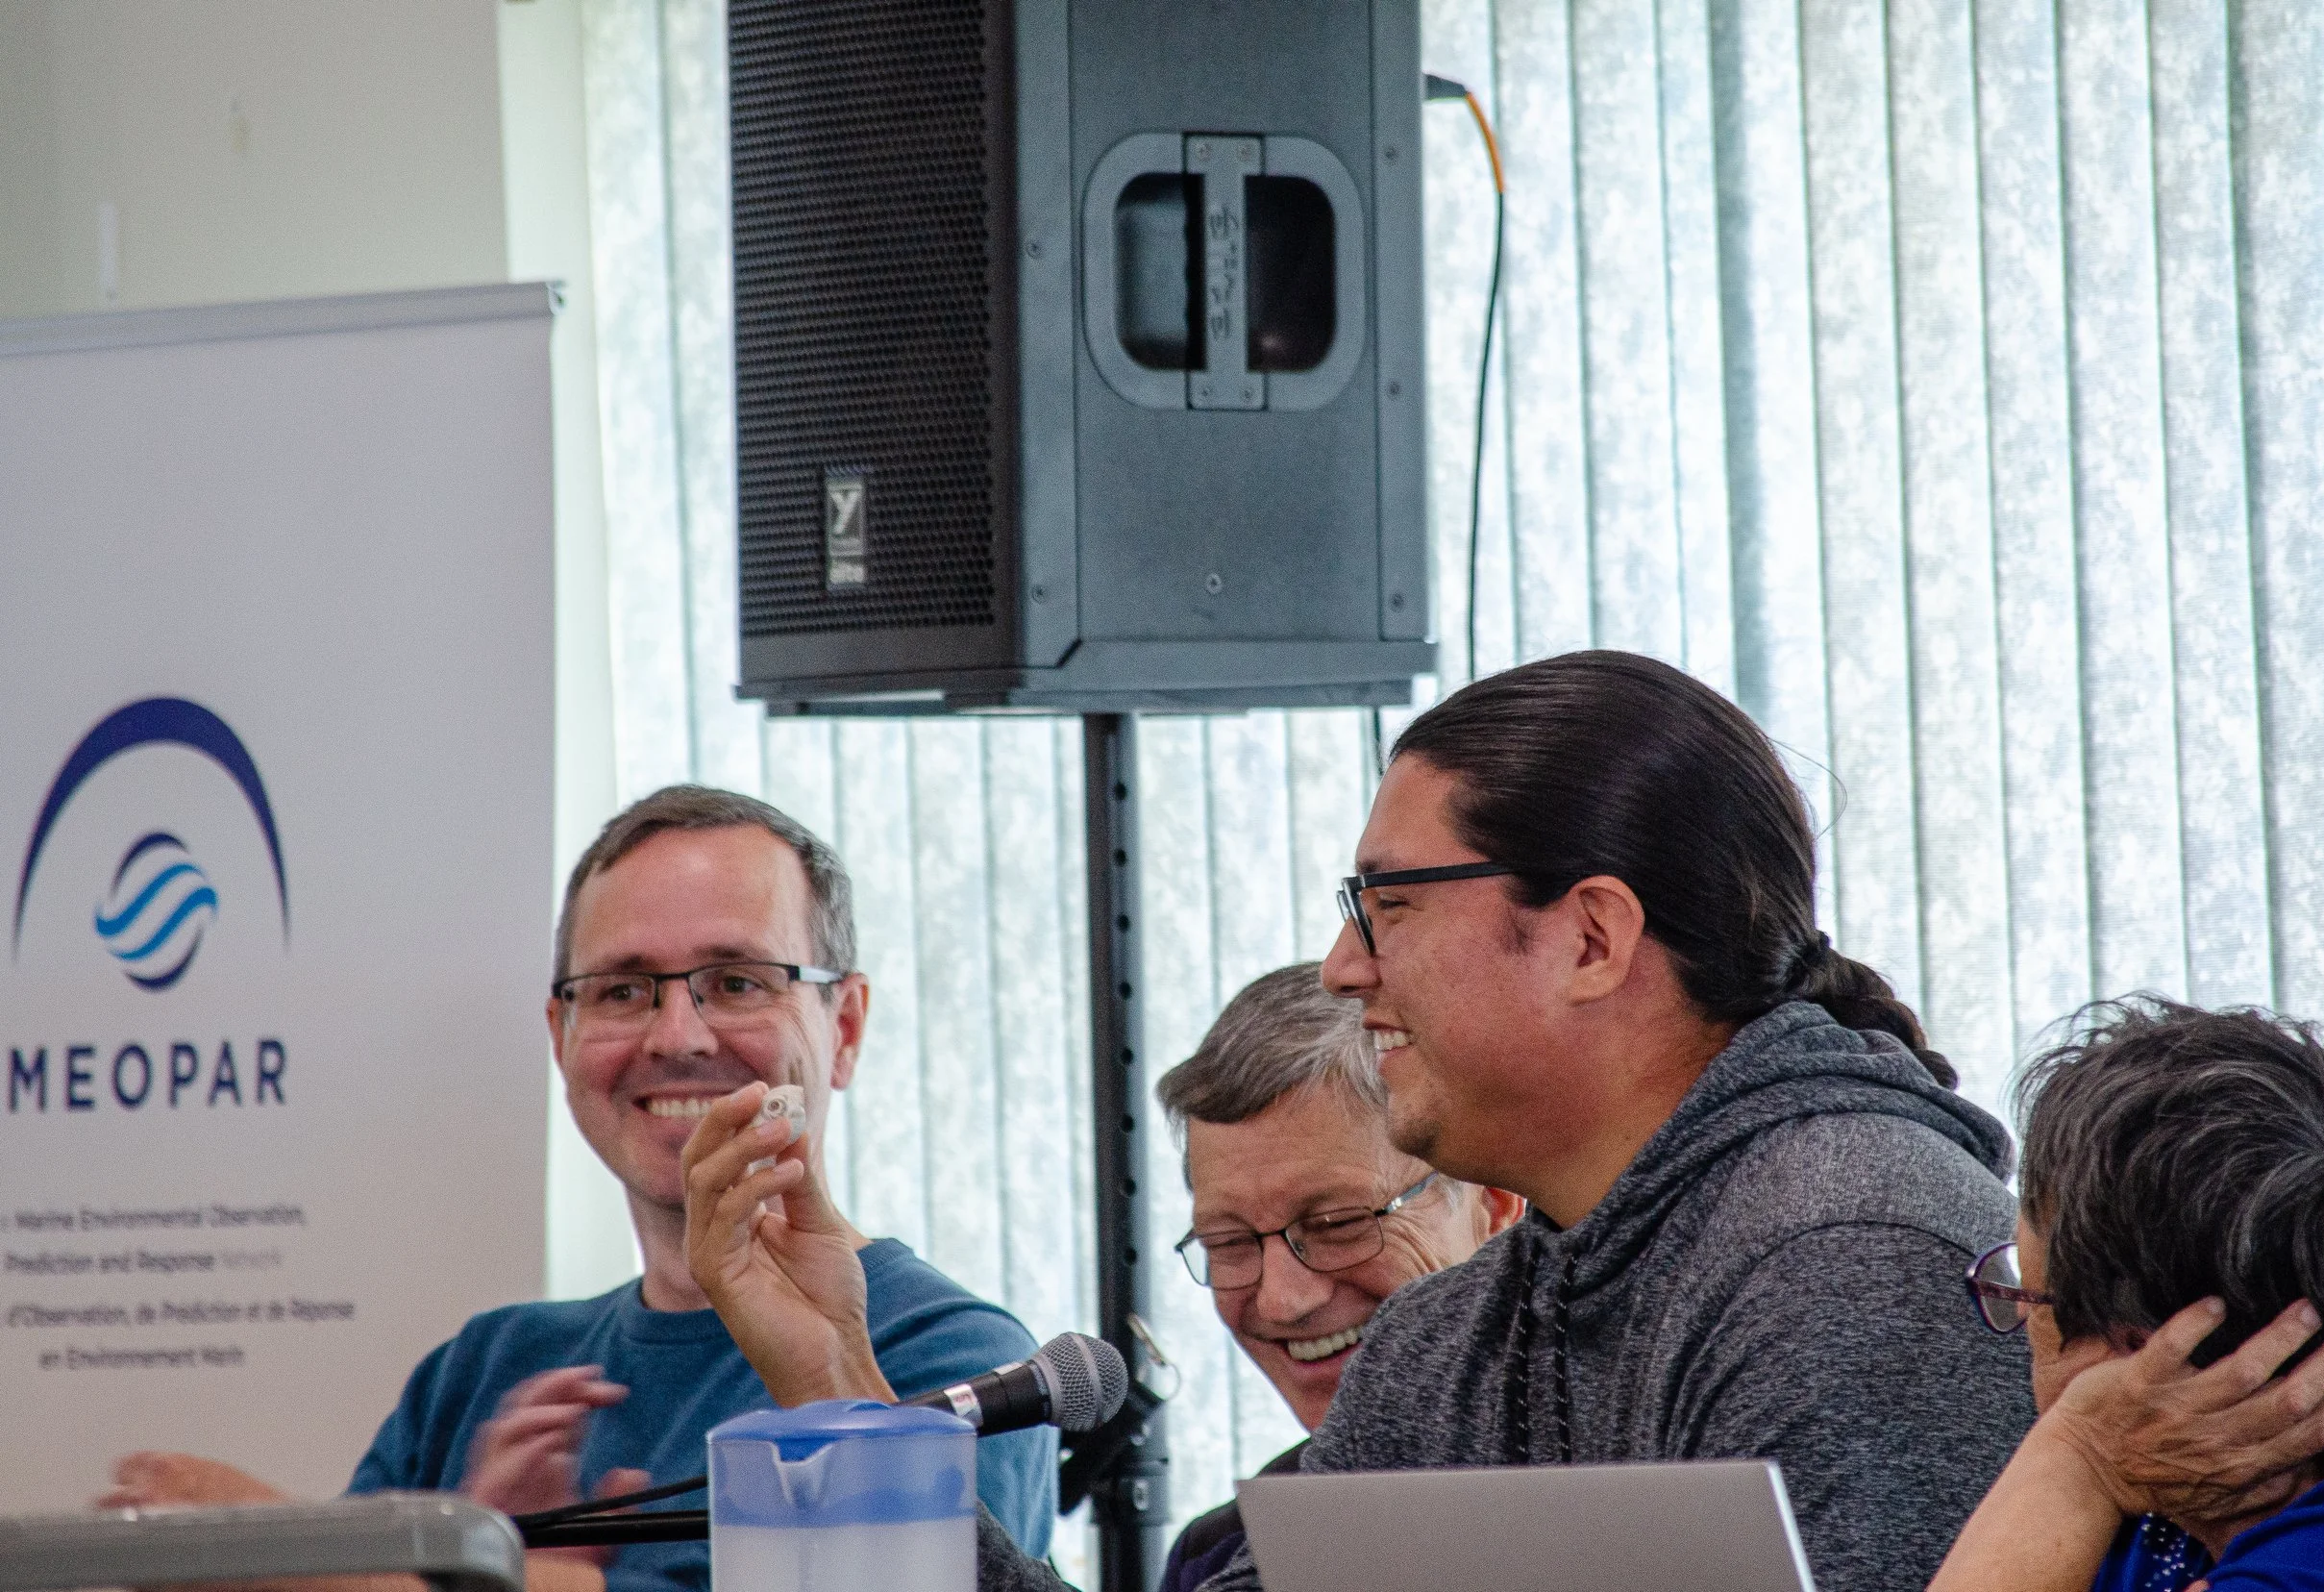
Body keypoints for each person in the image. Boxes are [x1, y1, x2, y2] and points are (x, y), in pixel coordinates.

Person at [682, 651, 2033, 1592]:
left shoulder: (1849, 1258)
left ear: (1591, 937)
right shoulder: (1456, 1338)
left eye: (1389, 905)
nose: (1343, 966)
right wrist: (839, 1382)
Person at [102, 785, 1058, 1592]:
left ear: (843, 1029)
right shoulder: (483, 1369)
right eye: (623, 991)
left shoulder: (948, 1360)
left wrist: (311, 1558)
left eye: (735, 982)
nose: (676, 1036)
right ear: (560, 1038)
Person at [1931, 999, 2324, 1592]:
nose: (2017, 1318)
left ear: (2144, 1354)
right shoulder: (2168, 1517)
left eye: (2029, 1293)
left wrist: (2083, 1453)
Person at [1154, 963, 1522, 1592]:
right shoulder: (1226, 1557)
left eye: (1336, 1224)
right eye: (1229, 1242)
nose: (1284, 1300)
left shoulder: (1655, 1479)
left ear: (1494, 1202)